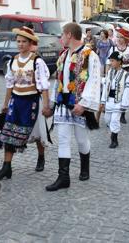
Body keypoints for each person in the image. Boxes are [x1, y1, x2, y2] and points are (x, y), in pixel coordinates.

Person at [46, 23, 101, 192]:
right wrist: (53, 102)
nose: (61, 38)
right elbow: (59, 80)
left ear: (69, 35)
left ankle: (85, 167)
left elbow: (94, 80)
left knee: (81, 140)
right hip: (63, 103)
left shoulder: (89, 55)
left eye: (62, 34)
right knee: (63, 139)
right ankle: (63, 177)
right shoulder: (63, 55)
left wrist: (84, 104)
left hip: (79, 104)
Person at [0, 27, 52, 181]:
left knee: (37, 133)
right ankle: (7, 167)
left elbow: (44, 86)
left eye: (24, 41)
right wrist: (5, 104)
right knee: (8, 134)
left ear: (30, 43)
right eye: (18, 41)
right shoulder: (13, 61)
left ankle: (41, 157)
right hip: (16, 101)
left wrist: (46, 106)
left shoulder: (37, 62)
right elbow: (9, 84)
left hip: (32, 102)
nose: (20, 44)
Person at [106, 27, 129, 124]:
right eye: (117, 37)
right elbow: (108, 63)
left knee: (125, 93)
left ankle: (122, 114)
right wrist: (107, 74)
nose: (119, 39)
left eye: (121, 37)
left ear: (125, 39)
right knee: (115, 92)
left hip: (127, 73)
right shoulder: (113, 48)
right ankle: (113, 111)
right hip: (114, 73)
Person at [100, 51, 129, 149]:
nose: (111, 63)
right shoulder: (110, 72)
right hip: (109, 100)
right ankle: (113, 131)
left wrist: (124, 104)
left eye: (113, 61)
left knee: (114, 120)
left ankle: (114, 139)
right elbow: (106, 86)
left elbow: (128, 90)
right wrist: (103, 101)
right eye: (110, 61)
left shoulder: (125, 74)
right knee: (107, 120)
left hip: (118, 101)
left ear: (119, 62)